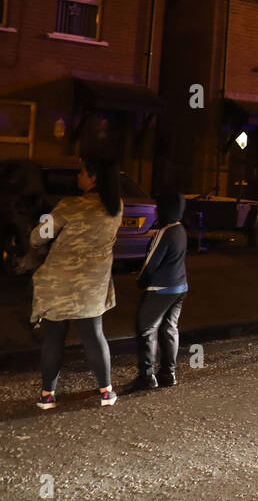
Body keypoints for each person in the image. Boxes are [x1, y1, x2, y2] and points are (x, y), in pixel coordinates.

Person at [30, 160, 123, 409]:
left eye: (82, 172)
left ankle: (47, 395)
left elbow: (39, 236)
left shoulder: (69, 205)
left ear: (93, 177)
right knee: (94, 335)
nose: (78, 176)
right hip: (92, 284)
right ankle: (106, 392)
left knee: (54, 337)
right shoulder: (116, 207)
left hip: (59, 282)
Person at [125, 193, 189, 392]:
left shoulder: (165, 232)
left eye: (157, 207)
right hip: (180, 287)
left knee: (145, 329)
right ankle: (168, 373)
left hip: (160, 288)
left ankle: (146, 376)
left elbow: (150, 262)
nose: (154, 210)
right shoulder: (180, 230)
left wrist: (141, 281)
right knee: (170, 328)